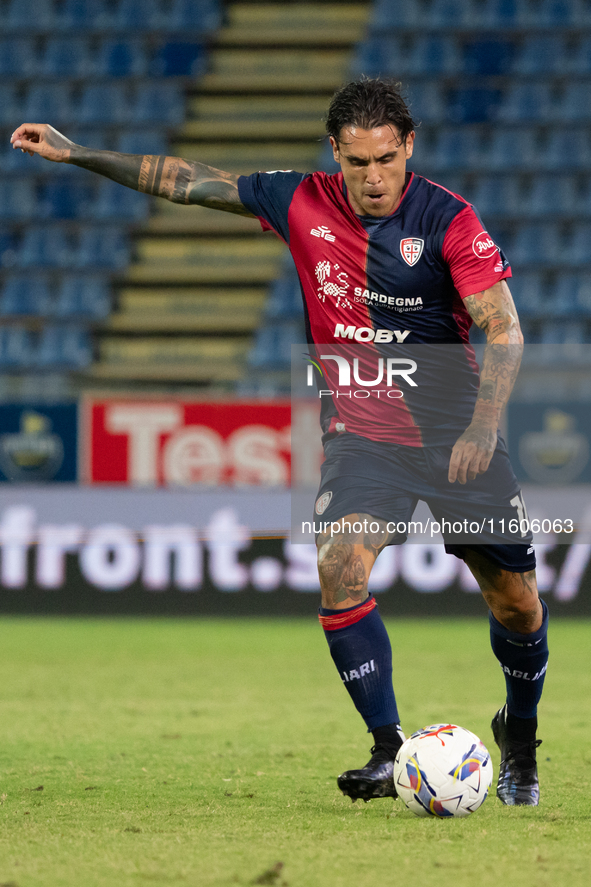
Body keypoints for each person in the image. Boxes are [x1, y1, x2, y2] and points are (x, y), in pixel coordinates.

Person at [12, 77, 548, 808]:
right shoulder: (297, 200)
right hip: (364, 439)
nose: (373, 176)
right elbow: (187, 182)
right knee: (339, 564)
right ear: (334, 152)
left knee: (516, 604)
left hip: (458, 438)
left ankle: (520, 738)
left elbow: (504, 328)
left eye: (386, 159)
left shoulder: (449, 220)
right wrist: (77, 155)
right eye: (357, 162)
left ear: (408, 147)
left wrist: (485, 426)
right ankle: (389, 750)